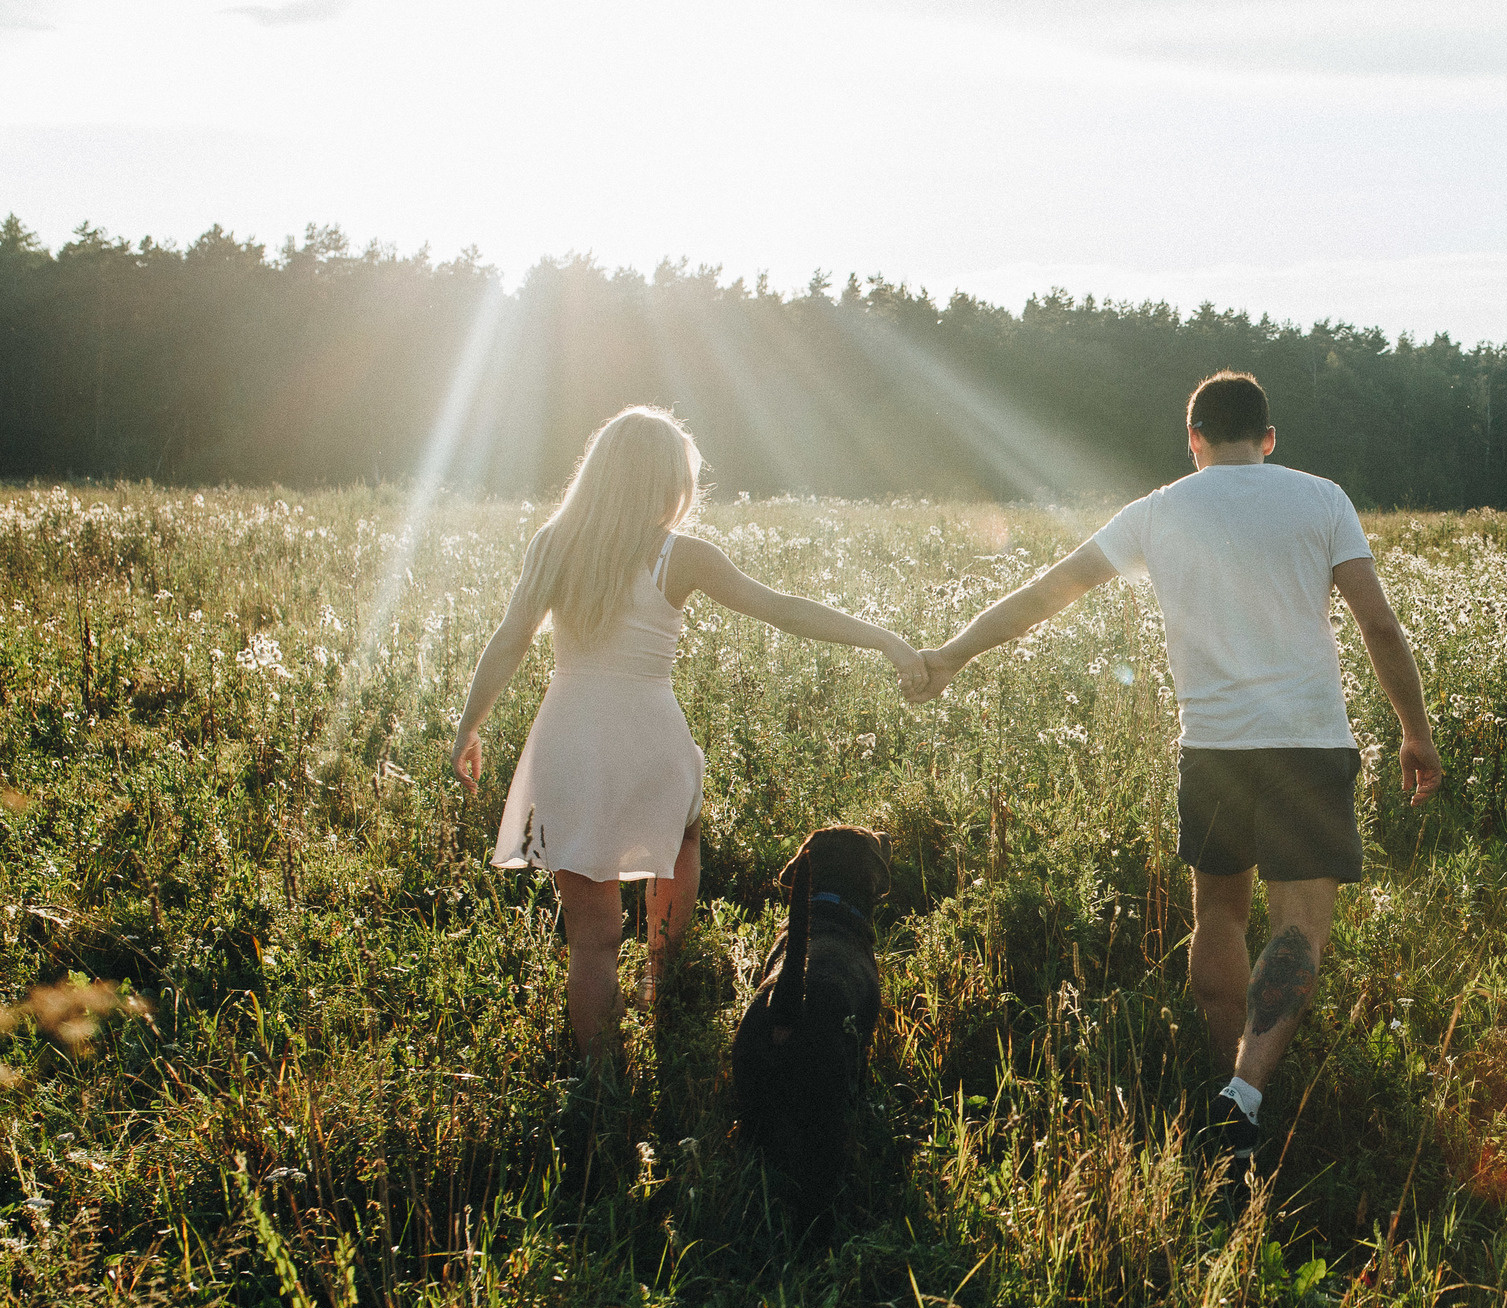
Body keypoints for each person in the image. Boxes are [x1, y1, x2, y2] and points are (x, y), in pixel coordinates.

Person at [908, 370, 1441, 1201]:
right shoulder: (1321, 498)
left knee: (1218, 915)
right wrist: (1415, 729)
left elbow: (1045, 593)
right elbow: (1378, 622)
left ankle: (1230, 1095)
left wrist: (950, 655)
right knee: (1298, 926)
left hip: (1215, 751)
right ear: (1269, 438)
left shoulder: (1159, 509)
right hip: (1306, 744)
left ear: (1192, 441)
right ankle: (1247, 1092)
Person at [452, 405, 924, 1070]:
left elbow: (509, 641)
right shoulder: (681, 555)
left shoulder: (553, 543)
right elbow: (784, 609)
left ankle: (600, 1083)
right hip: (648, 738)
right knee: (683, 834)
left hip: (569, 737)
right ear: (668, 481)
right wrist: (883, 637)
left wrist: (468, 724)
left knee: (591, 937)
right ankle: (659, 977)